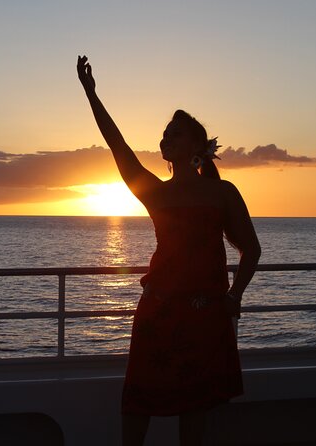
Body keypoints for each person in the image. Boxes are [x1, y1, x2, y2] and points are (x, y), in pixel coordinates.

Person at [77, 55, 261, 446]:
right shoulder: (156, 193)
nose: (166, 139)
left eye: (175, 134)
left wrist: (234, 296)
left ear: (197, 145)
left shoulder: (222, 193)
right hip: (158, 311)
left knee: (194, 409)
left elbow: (252, 250)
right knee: (137, 402)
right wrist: (92, 94)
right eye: (164, 134)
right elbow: (118, 146)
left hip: (204, 315)